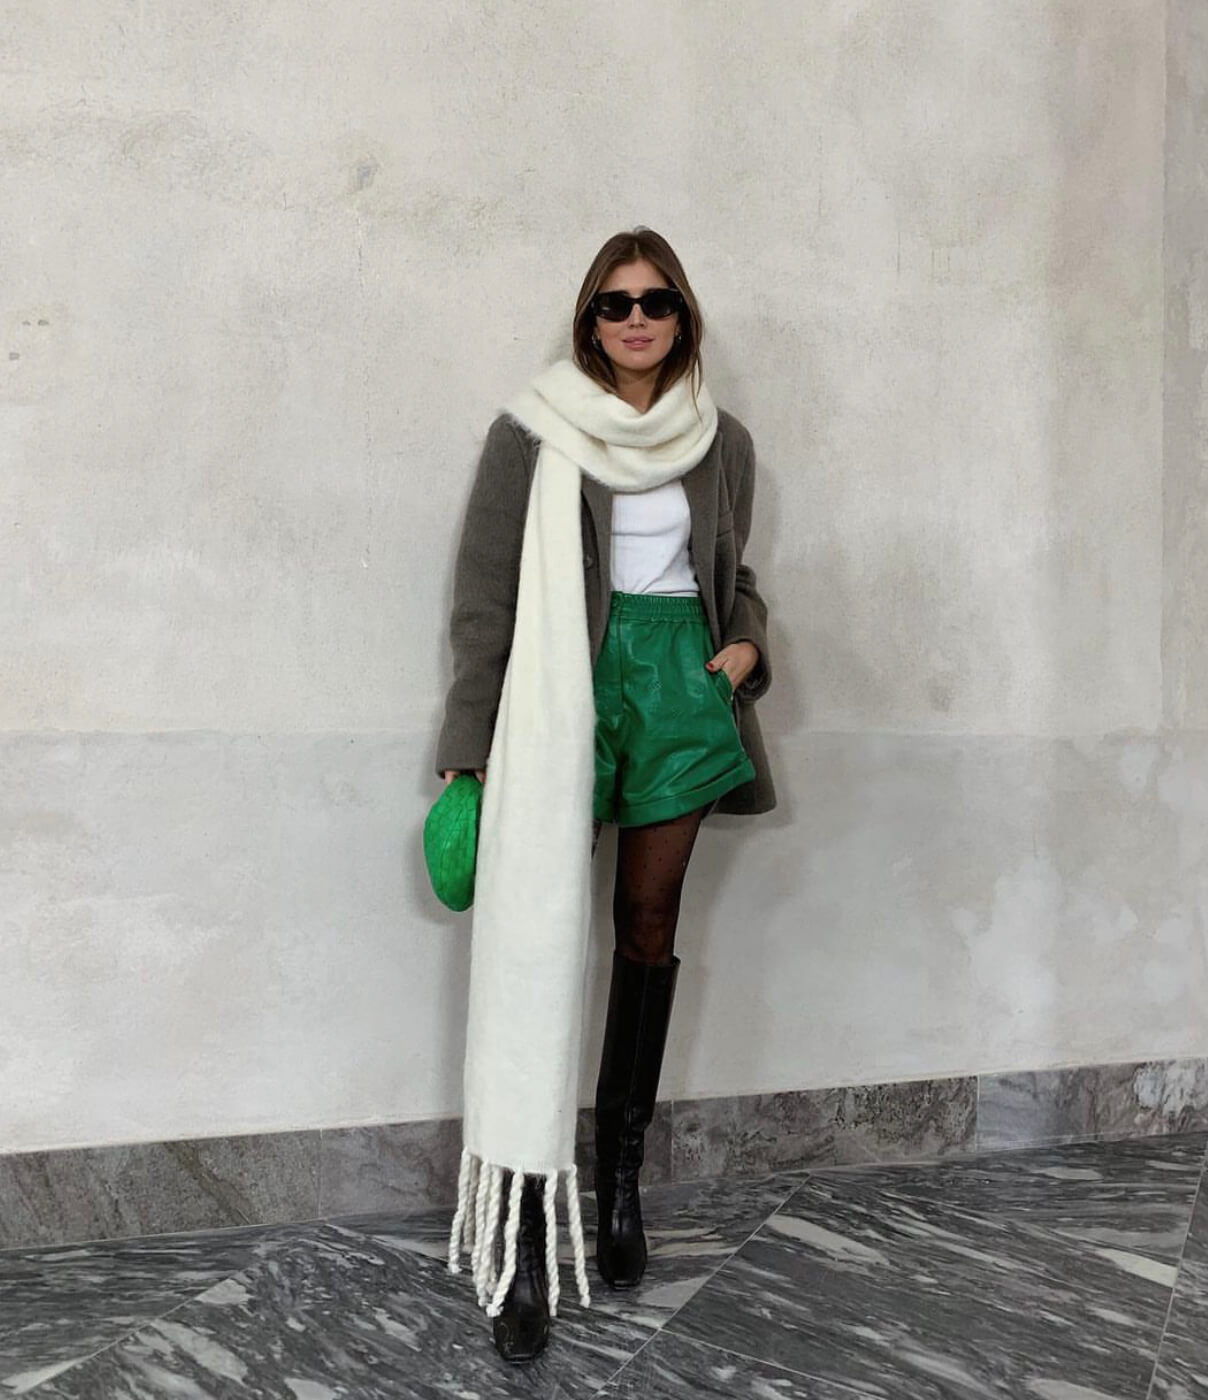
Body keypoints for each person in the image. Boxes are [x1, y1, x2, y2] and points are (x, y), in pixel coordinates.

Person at [435, 227, 775, 1364]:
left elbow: (733, 572)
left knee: (647, 925)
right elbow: (485, 596)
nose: (635, 320)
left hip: (678, 685)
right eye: (614, 304)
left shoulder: (721, 440)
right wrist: (467, 746)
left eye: (655, 301)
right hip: (562, 690)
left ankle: (619, 1184)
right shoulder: (533, 431)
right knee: (538, 940)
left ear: (683, 316)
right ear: (590, 320)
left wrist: (744, 646)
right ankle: (526, 1235)